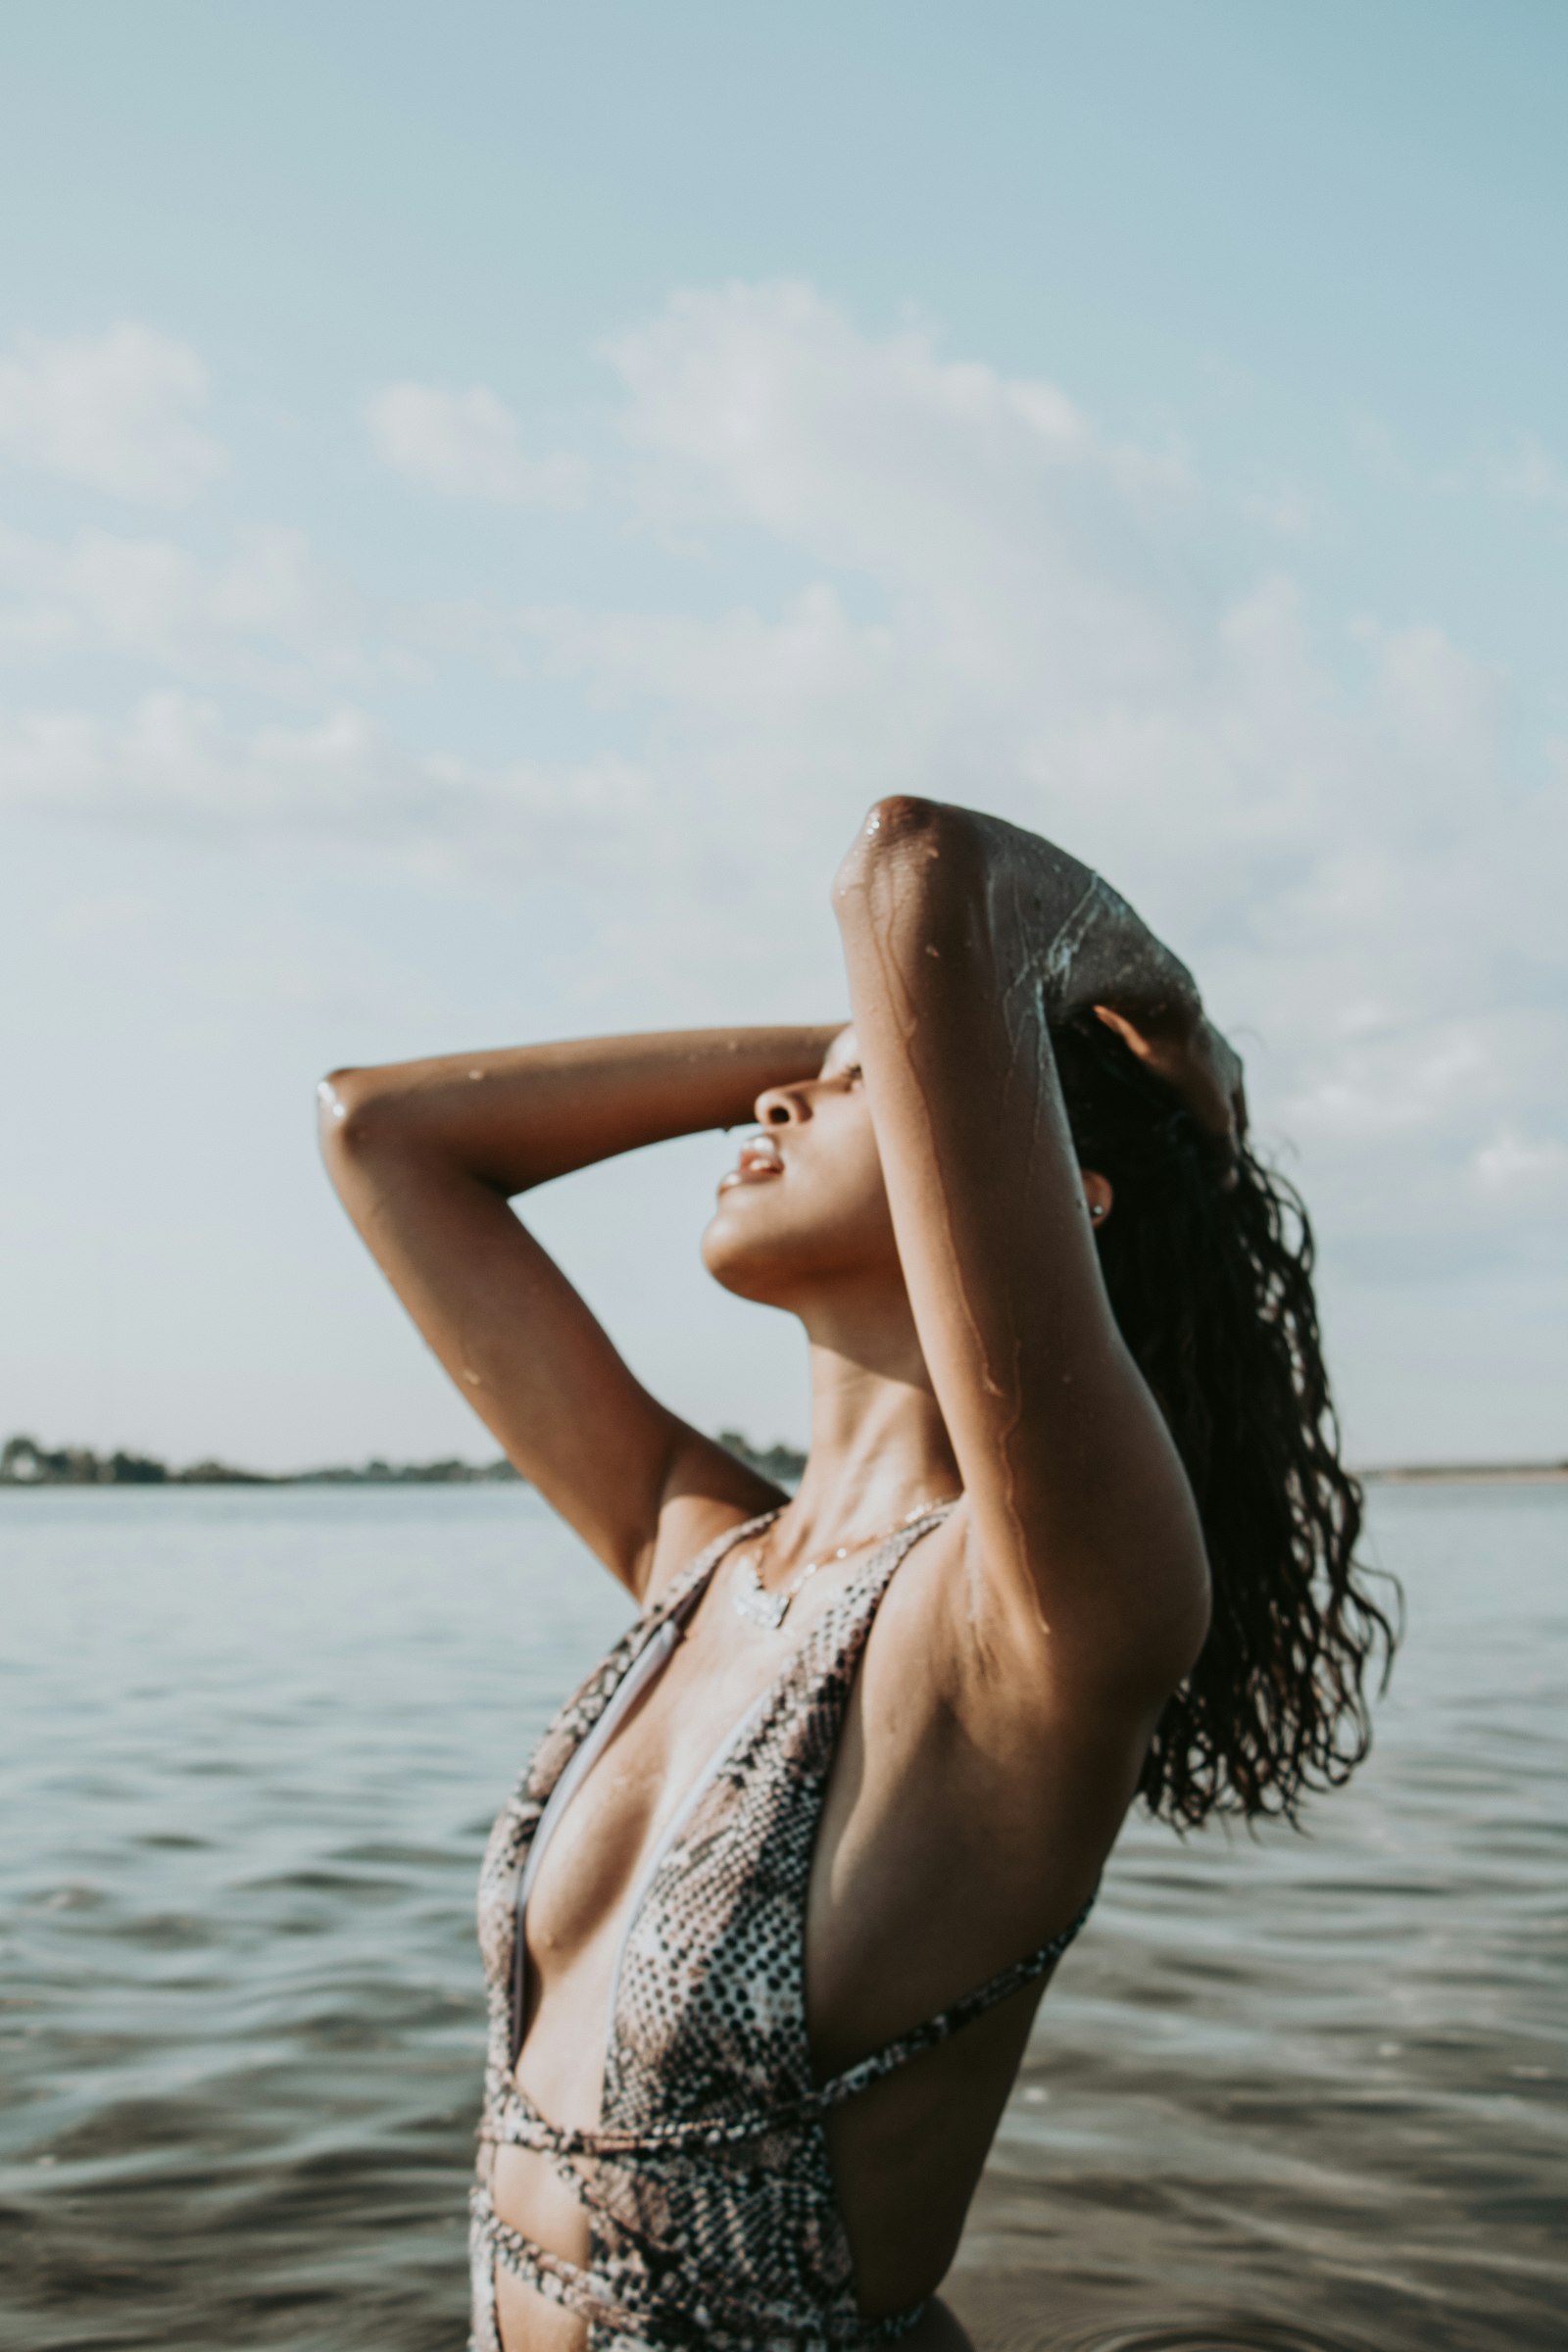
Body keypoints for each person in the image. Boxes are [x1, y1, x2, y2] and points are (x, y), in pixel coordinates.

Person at [318, 798, 1396, 2352]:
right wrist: (864, 1039)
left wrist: (1164, 1016)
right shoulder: (700, 1551)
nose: (774, 1096)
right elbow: (382, 1133)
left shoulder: (1046, 1608)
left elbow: (917, 874)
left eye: (857, 1082)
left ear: (1056, 1184)